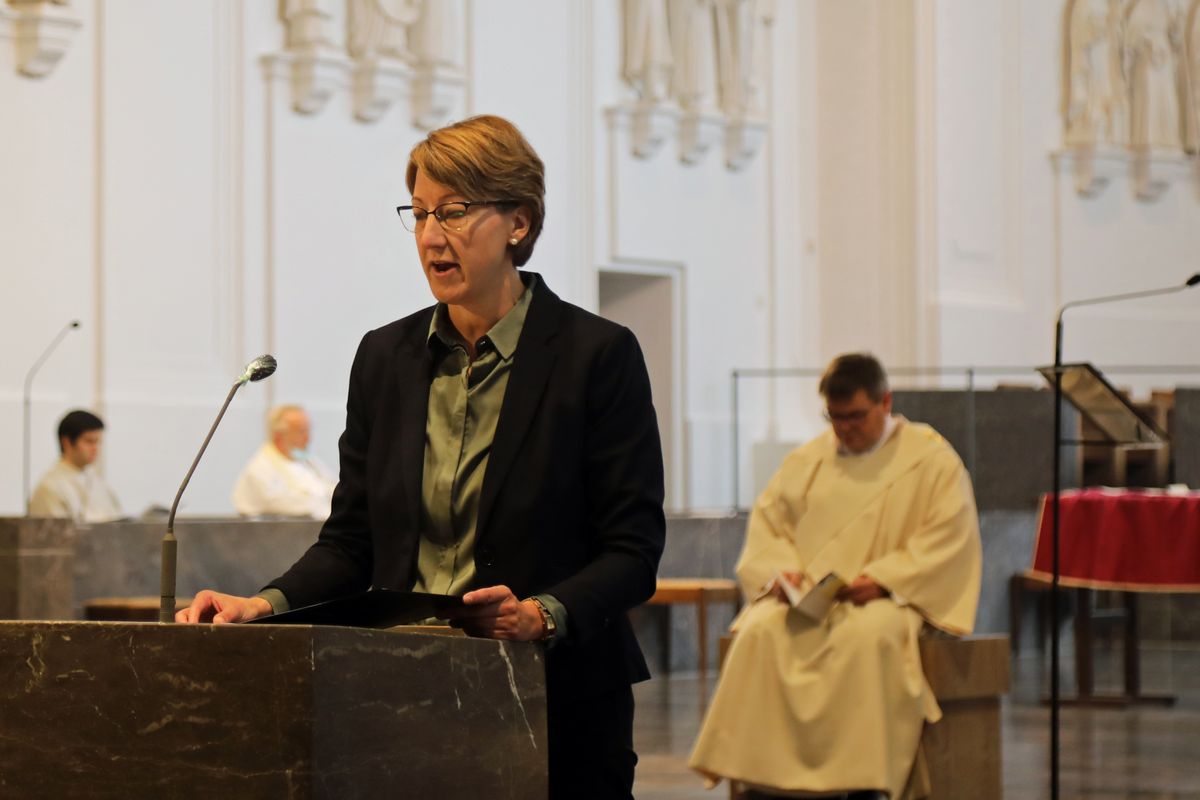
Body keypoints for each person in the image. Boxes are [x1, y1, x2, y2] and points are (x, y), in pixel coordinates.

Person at [179, 114, 666, 799]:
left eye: (456, 212)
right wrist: (262, 607)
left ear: (518, 223)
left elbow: (633, 550)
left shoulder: (596, 355)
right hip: (400, 691)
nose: (432, 236)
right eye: (421, 214)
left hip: (555, 697)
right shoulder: (385, 357)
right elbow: (352, 544)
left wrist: (538, 614)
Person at [688, 353, 981, 799]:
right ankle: (764, 780)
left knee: (870, 639)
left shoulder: (930, 460)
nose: (844, 428)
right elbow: (770, 529)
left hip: (883, 599)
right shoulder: (808, 461)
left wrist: (885, 579)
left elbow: (948, 535)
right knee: (760, 633)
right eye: (834, 417)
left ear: (885, 402)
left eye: (856, 416)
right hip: (808, 600)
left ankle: (860, 783)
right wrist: (781, 574)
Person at [231, 404, 337, 519]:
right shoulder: (259, 470)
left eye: (308, 430)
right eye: (301, 431)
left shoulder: (308, 461)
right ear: (279, 435)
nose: (308, 438)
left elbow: (333, 488)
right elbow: (286, 505)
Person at [29, 409, 122, 522]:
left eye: (98, 442)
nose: (96, 448)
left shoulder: (99, 484)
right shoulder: (50, 488)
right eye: (89, 441)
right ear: (67, 442)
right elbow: (55, 536)